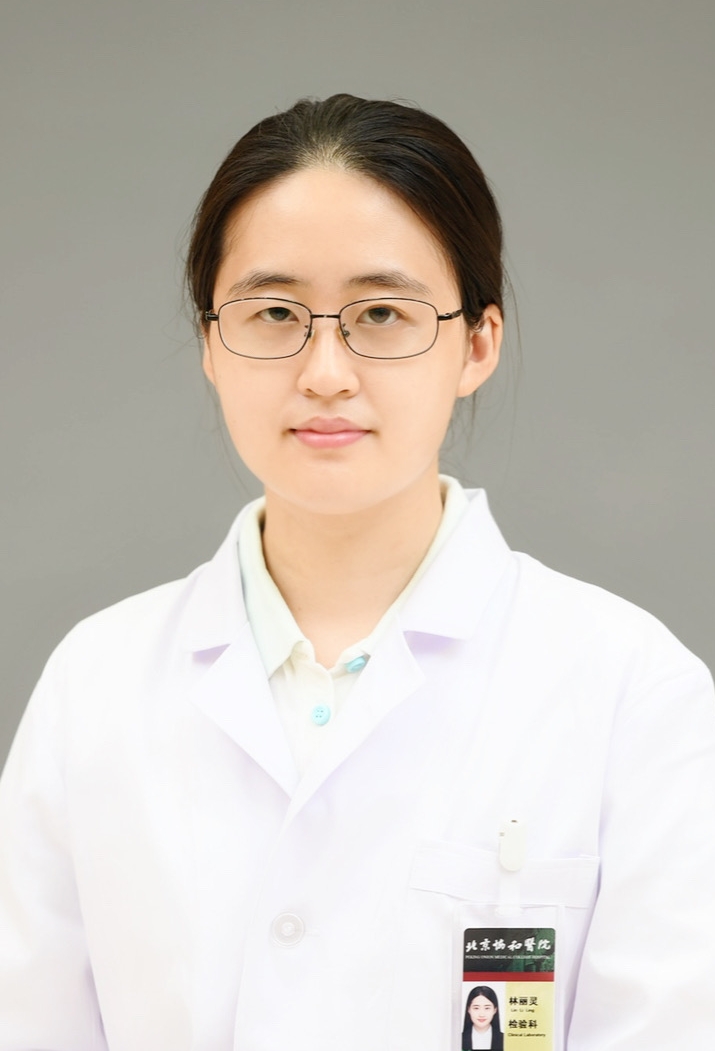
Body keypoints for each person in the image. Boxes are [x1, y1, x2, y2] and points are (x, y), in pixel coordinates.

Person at [0, 93, 714, 1051]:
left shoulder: (634, 692)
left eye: (381, 312)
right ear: (210, 342)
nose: (325, 370)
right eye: (274, 312)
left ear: (477, 343)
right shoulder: (94, 685)